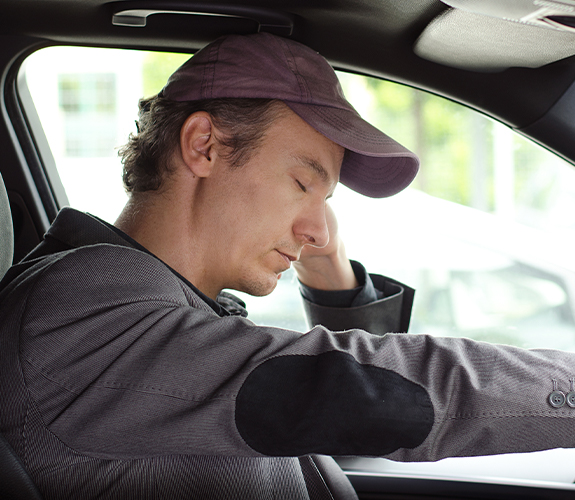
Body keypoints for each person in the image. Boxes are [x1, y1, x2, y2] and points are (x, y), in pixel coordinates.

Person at [1, 32, 575, 500]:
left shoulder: (172, 313)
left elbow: (336, 418)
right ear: (203, 144)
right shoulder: (82, 309)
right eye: (303, 182)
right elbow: (346, 390)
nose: (320, 228)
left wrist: (327, 266)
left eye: (326, 201)